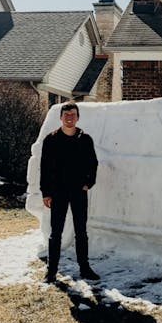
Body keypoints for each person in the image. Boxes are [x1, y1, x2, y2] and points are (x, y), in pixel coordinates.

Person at [40, 101, 100, 283]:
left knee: (81, 231)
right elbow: (44, 168)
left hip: (78, 191)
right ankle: (51, 271)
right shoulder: (51, 140)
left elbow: (93, 163)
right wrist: (46, 192)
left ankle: (84, 268)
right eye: (66, 115)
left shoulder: (85, 139)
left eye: (73, 115)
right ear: (60, 117)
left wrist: (88, 183)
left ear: (78, 117)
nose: (69, 118)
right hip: (58, 192)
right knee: (55, 232)